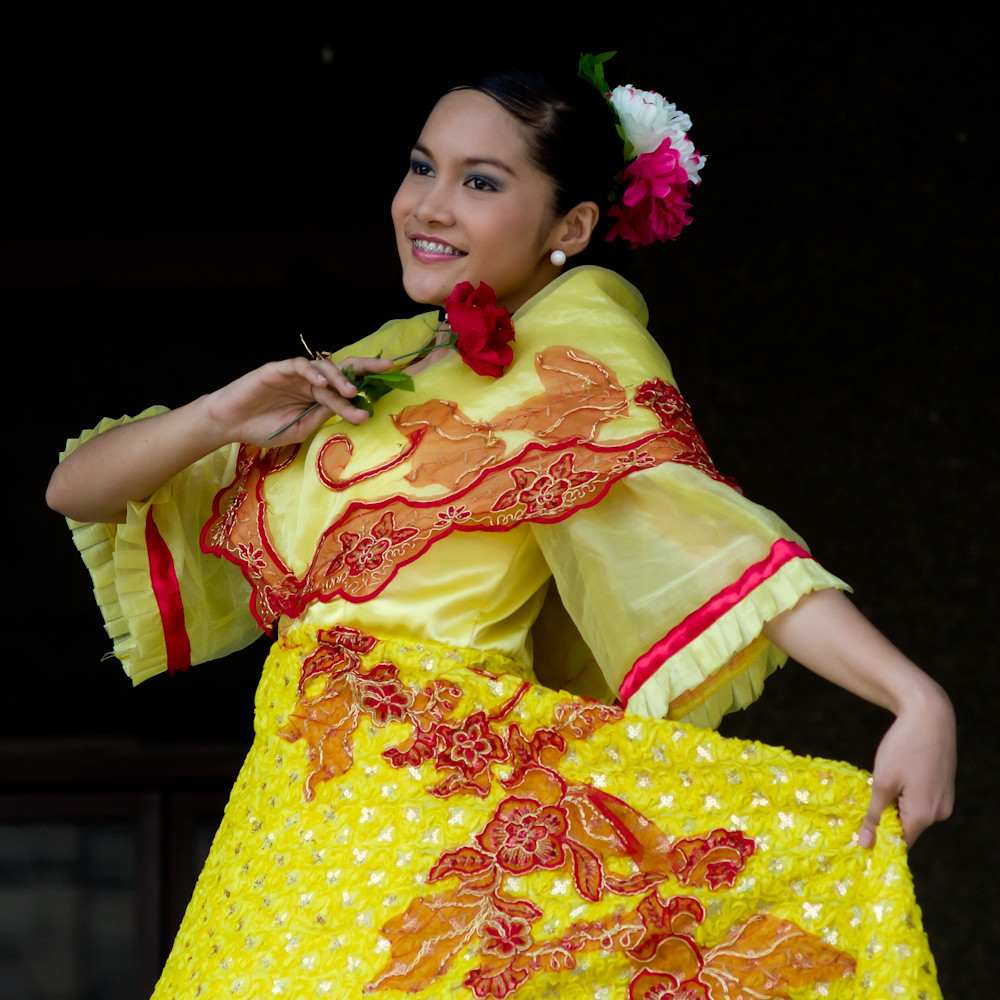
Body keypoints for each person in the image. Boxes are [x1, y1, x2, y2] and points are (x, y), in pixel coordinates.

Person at [48, 61, 954, 1000]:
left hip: (438, 834)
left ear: (572, 228)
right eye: (421, 167)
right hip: (290, 838)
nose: (429, 205)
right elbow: (77, 491)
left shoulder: (576, 354)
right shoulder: (383, 360)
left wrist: (913, 696)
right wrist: (215, 418)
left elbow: (713, 535)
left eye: (480, 182)